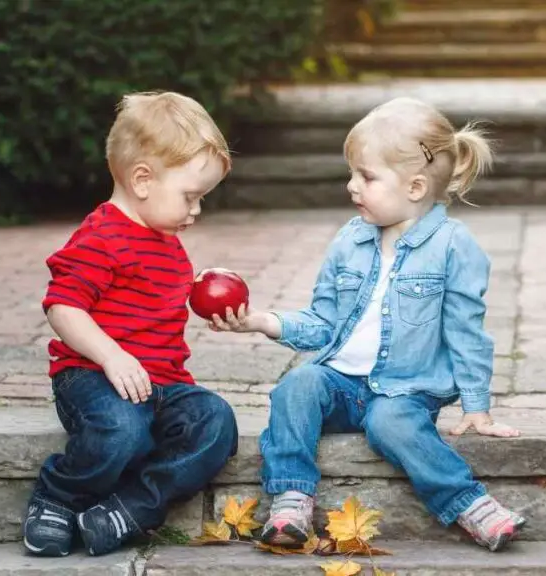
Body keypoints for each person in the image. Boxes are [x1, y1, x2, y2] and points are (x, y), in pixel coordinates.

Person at [209, 96, 526, 552]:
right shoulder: (349, 240)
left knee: (393, 424)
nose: (352, 186)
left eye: (367, 176)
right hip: (341, 382)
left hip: (406, 389)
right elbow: (323, 323)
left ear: (415, 187)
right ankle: (291, 499)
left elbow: (466, 332)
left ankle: (471, 504)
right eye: (353, 173)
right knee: (297, 386)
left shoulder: (455, 247)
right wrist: (263, 322)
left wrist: (476, 408)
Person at [23, 91, 238, 558]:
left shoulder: (168, 243)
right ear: (143, 180)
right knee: (122, 430)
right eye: (191, 197)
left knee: (216, 421)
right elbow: (62, 307)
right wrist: (112, 356)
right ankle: (58, 498)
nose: (196, 211)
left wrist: (213, 304)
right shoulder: (101, 236)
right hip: (94, 377)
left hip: (161, 383)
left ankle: (128, 509)